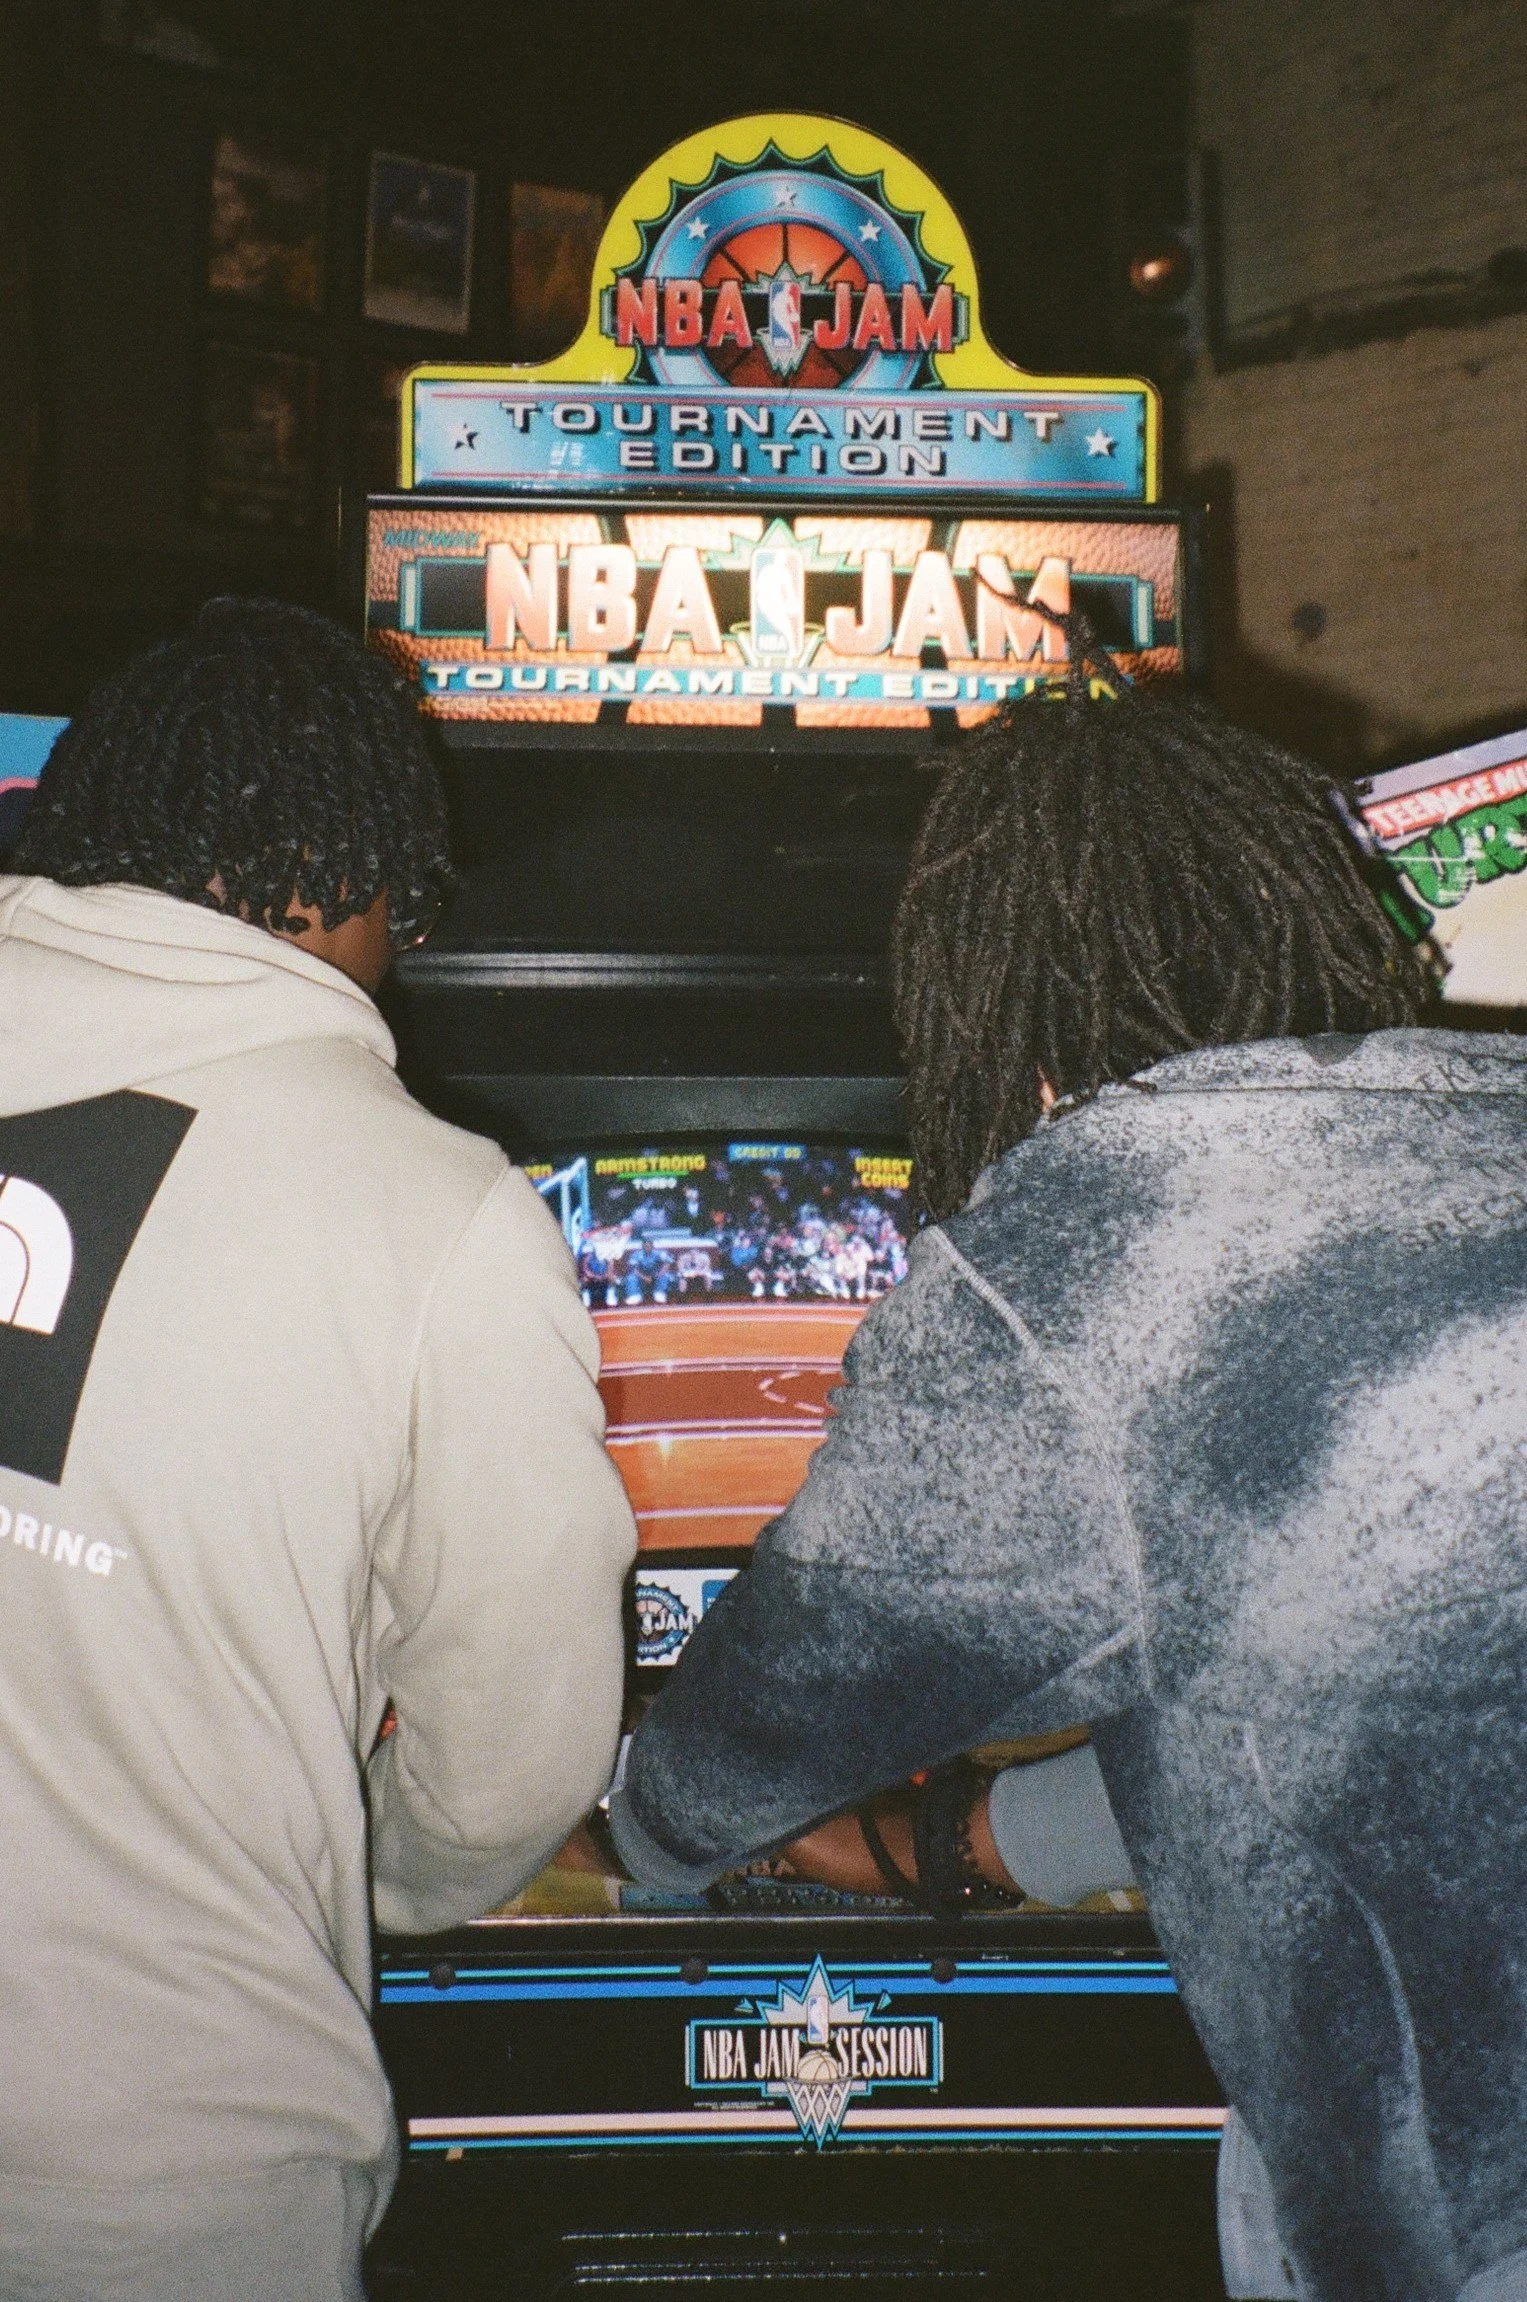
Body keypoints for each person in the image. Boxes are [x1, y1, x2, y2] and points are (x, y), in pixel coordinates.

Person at [611, 632, 1527, 2302]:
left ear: (1012, 1029)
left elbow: (748, 1742)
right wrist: (971, 1842)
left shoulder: (1079, 1252)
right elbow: (1392, 1698)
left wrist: (635, 1824)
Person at [0, 600, 635, 2301]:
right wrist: (373, 1871)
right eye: (404, 907)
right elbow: (516, 1758)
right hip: (154, 2165)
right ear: (342, 875)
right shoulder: (435, 1211)